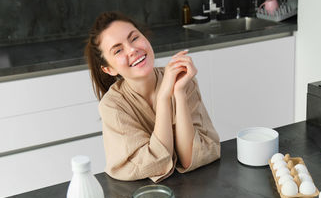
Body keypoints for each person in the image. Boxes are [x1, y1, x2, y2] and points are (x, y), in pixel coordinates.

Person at [85, 11, 220, 182]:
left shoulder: (182, 81)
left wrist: (178, 93)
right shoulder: (112, 106)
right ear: (109, 69)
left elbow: (190, 158)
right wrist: (164, 97)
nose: (133, 50)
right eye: (118, 50)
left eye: (134, 38)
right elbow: (156, 163)